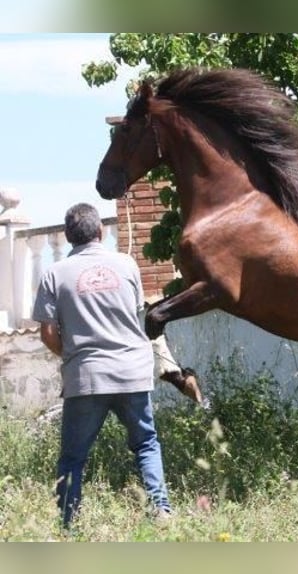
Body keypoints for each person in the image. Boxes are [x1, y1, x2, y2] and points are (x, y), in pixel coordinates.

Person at [32, 203, 175, 527]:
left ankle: (68, 525)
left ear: (69, 237)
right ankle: (161, 509)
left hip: (86, 376)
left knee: (73, 458)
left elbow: (47, 333)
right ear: (101, 232)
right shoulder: (126, 265)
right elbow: (135, 309)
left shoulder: (54, 273)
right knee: (146, 444)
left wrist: (73, 355)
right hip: (132, 372)